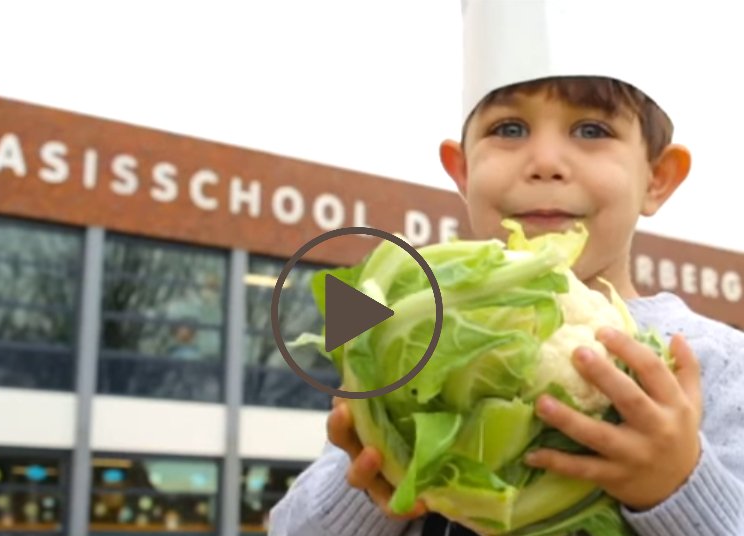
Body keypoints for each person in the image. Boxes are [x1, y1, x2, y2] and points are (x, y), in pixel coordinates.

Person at [267, 1, 744, 534]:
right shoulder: (416, 336)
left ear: (658, 177)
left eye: (591, 130)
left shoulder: (714, 365)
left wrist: (680, 483)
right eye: (510, 128)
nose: (544, 162)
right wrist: (374, 478)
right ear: (463, 170)